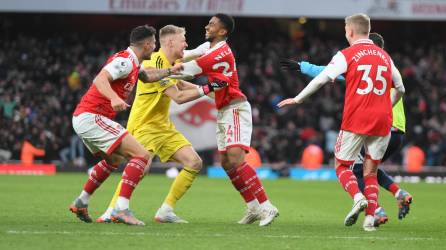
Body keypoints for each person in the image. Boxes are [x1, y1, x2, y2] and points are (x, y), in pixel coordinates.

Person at [277, 14, 405, 231]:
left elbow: (323, 77)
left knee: (342, 165)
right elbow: (400, 88)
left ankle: (357, 197)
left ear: (351, 31)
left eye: (346, 28)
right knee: (371, 171)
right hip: (384, 120)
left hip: (357, 118)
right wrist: (387, 104)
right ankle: (370, 220)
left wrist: (298, 99)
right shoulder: (385, 57)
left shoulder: (348, 54)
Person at [95, 25, 226, 224]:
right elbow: (179, 96)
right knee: (140, 169)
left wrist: (212, 93)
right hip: (144, 125)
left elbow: (182, 82)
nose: (186, 43)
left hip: (162, 127)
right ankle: (111, 211)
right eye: (183, 39)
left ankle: (165, 211)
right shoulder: (154, 63)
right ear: (171, 42)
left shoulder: (174, 61)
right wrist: (208, 88)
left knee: (194, 163)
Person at [69, 25, 183, 226]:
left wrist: (169, 71)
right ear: (147, 44)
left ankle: (81, 202)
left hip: (87, 118)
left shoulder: (135, 64)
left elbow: (147, 77)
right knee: (142, 155)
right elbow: (100, 79)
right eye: (154, 43)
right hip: (92, 117)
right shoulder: (125, 61)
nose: (155, 47)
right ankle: (121, 209)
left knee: (113, 159)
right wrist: (113, 98)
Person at [180, 13, 279, 226]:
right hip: (224, 109)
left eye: (212, 24)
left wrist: (157, 71)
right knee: (226, 163)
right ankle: (253, 207)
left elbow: (186, 69)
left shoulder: (219, 51)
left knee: (235, 158)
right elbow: (187, 55)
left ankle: (267, 206)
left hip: (235, 108)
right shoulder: (209, 48)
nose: (207, 26)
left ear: (223, 31)